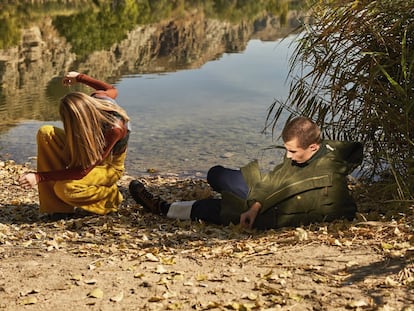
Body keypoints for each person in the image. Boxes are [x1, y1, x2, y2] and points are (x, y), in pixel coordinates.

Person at [129, 117, 363, 229]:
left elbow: (285, 189)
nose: (289, 155)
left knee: (209, 209)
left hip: (271, 213)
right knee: (216, 175)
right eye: (286, 150)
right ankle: (216, 193)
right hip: (261, 198)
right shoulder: (318, 152)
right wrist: (256, 204)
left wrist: (253, 210)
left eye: (293, 151)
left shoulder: (323, 170)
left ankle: (163, 208)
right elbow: (277, 179)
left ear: (313, 147)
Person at [18, 71, 130, 218]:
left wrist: (39, 177)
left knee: (65, 189)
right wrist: (79, 78)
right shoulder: (97, 99)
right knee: (46, 132)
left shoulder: (114, 128)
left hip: (108, 167)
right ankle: (58, 209)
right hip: (88, 151)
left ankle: (111, 198)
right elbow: (111, 89)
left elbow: (83, 170)